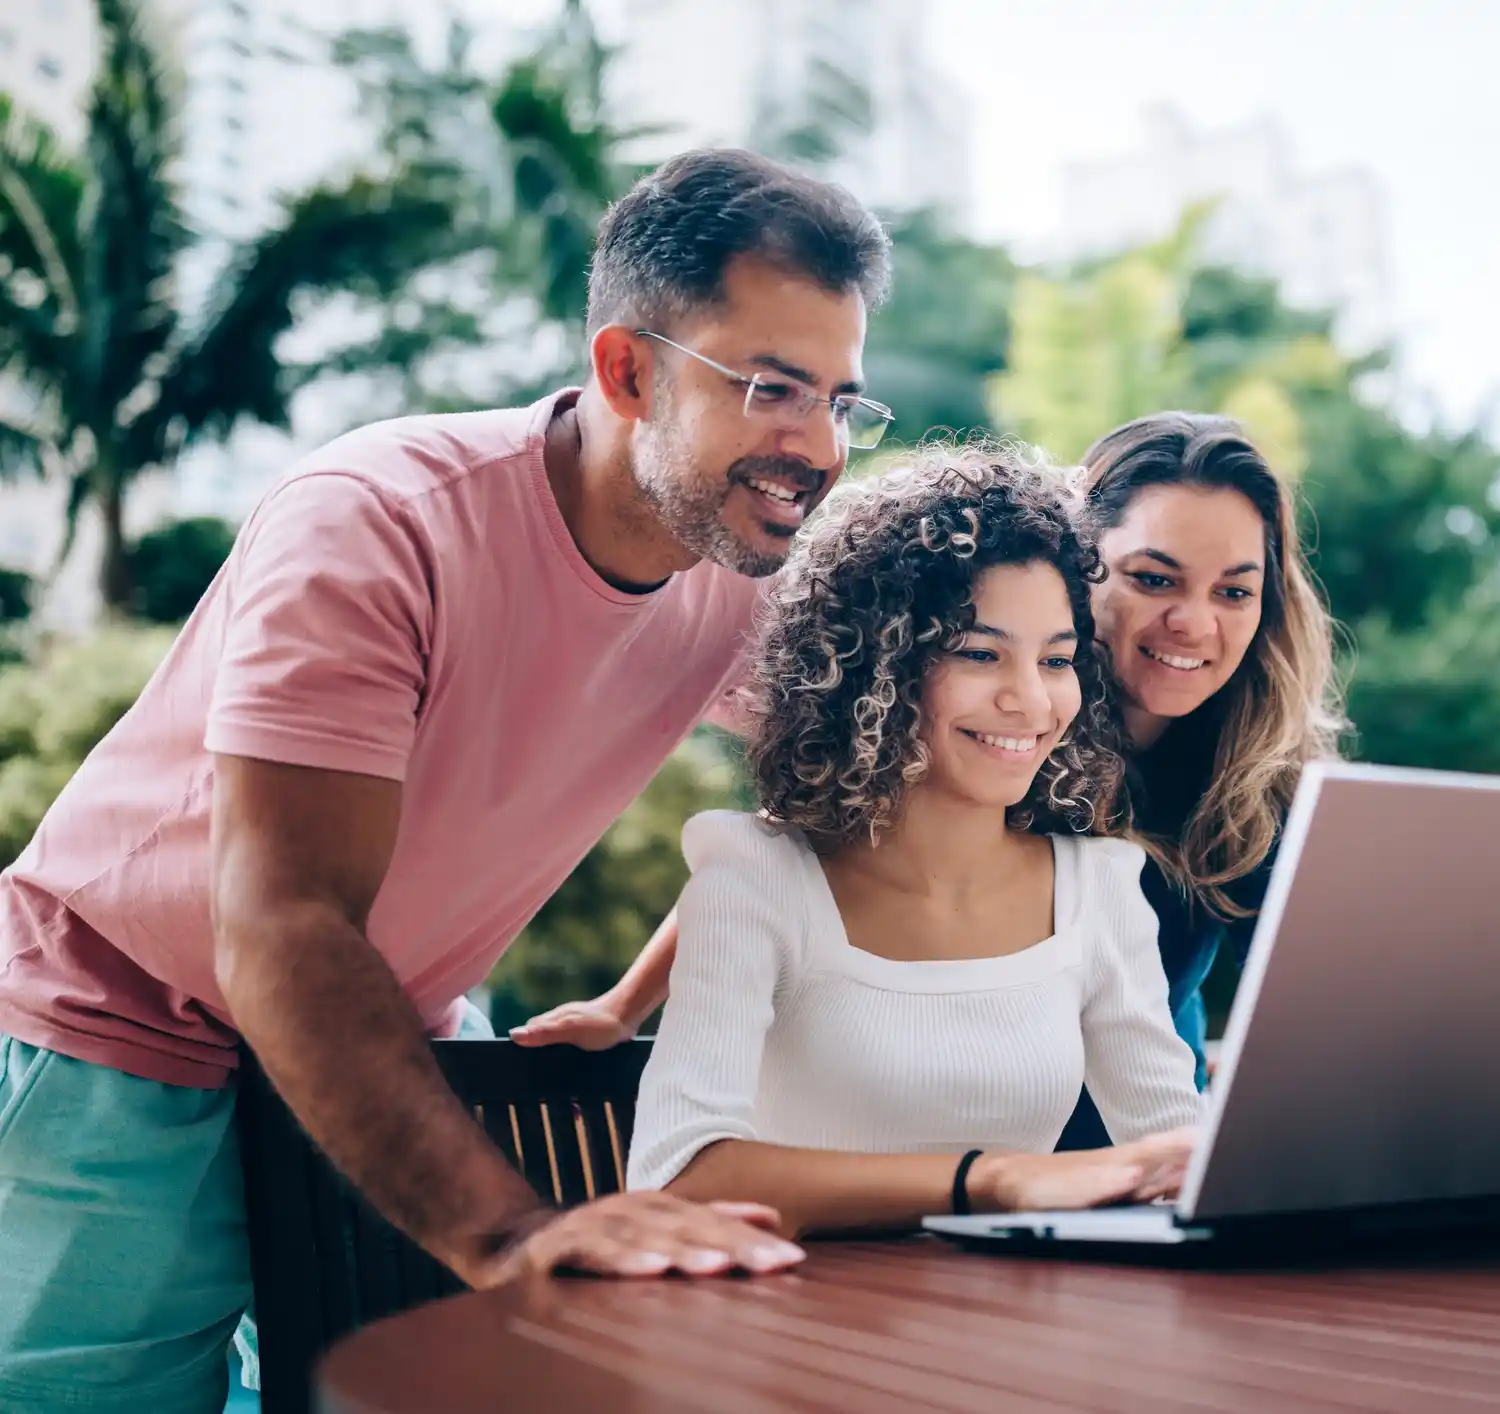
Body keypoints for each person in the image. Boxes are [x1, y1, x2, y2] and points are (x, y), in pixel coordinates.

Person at [0, 147, 891, 1414]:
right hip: (116, 1029)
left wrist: (634, 998)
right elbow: (284, 925)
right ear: (627, 370)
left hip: (390, 1038)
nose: (813, 446)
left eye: (843, 402)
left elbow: (839, 813)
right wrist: (508, 1232)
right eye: (771, 388)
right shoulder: (378, 517)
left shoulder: (737, 580)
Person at [517, 412, 1343, 1142]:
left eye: (1236, 591)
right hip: (958, 1142)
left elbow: (1324, 1008)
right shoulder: (983, 733)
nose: (1194, 622)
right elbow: (782, 862)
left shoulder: (1255, 778)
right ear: (1076, 565)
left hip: (1129, 1146)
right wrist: (624, 1007)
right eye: (1152, 579)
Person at [625, 447, 1201, 1234]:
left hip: (1013, 1332)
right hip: (785, 1325)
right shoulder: (755, 878)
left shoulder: (1098, 891)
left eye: (1057, 660)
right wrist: (991, 1181)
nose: (1030, 699)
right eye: (978, 653)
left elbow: (1175, 1156)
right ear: (876, 667)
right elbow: (676, 1178)